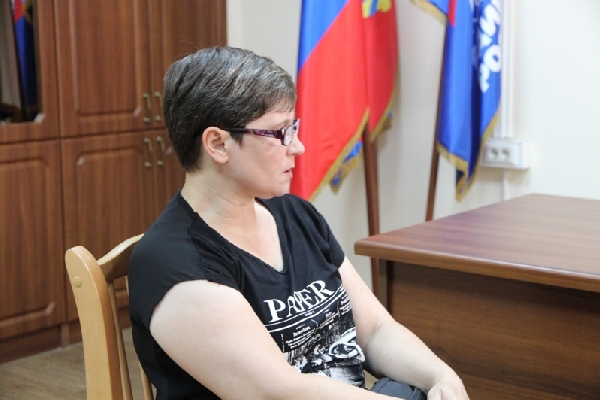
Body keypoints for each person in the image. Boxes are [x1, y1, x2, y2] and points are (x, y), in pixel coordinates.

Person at [128, 46, 469, 400]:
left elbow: (375, 331)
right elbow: (281, 393)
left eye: (293, 128)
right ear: (218, 144)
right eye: (279, 133)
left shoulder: (295, 215)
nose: (298, 147)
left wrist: (442, 378)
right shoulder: (172, 262)